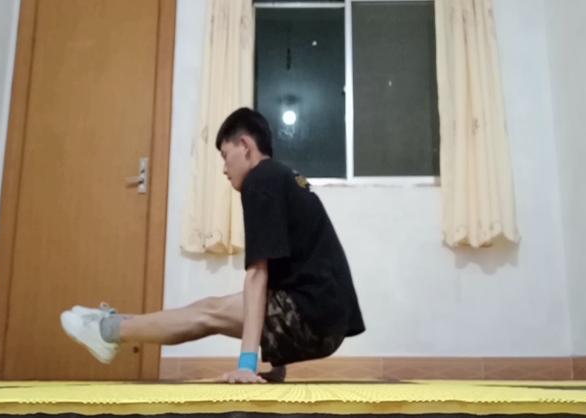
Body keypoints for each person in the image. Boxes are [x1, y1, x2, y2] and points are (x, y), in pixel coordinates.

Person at [61, 107, 365, 383]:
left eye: (225, 155)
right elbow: (287, 272)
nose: (223, 169)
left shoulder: (261, 179)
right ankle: (112, 325)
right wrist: (276, 366)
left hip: (314, 315)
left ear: (245, 146)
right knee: (212, 308)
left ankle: (107, 329)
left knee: (209, 312)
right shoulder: (284, 177)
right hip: (327, 317)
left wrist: (246, 365)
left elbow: (257, 275)